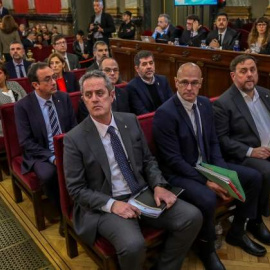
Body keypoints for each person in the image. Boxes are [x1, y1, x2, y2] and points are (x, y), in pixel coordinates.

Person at [63, 69, 203, 270]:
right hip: (106, 203)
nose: (94, 99)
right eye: (88, 95)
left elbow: (148, 160)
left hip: (141, 193)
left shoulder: (129, 120)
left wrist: (158, 185)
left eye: (100, 93)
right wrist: (113, 205)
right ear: (83, 100)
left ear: (112, 95)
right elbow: (76, 190)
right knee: (133, 245)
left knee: (192, 217)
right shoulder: (74, 139)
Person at [153, 62, 266, 269]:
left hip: (206, 166)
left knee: (253, 178)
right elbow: (173, 160)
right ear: (175, 82)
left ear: (201, 84)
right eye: (184, 83)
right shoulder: (165, 113)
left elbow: (214, 142)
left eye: (194, 83)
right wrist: (208, 181)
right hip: (179, 173)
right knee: (206, 198)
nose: (189, 88)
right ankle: (206, 247)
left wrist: (224, 174)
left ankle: (238, 231)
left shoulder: (204, 104)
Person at [213, 54, 270, 245]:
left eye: (253, 70)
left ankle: (259, 215)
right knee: (265, 171)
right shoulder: (224, 102)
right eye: (243, 71)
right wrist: (250, 151)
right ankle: (255, 220)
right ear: (233, 76)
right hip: (243, 155)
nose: (249, 75)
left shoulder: (265, 93)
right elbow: (222, 140)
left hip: (267, 149)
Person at [14, 62, 77, 236]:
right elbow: (26, 142)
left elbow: (73, 127)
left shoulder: (63, 98)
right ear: (35, 85)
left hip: (67, 148)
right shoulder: (23, 106)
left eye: (54, 77)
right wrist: (52, 157)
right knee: (50, 174)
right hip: (40, 154)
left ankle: (85, 209)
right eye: (47, 79)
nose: (54, 82)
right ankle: (65, 215)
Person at [78, 57, 129, 121]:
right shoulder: (87, 99)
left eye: (115, 70)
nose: (112, 73)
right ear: (100, 72)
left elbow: (127, 117)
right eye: (107, 70)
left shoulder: (123, 93)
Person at [125, 50, 173, 115]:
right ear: (137, 69)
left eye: (151, 63)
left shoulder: (162, 80)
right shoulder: (132, 87)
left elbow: (172, 103)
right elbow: (142, 112)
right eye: (144, 64)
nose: (149, 67)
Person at [0, 62, 27, 136]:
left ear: (5, 75)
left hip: (23, 118)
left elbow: (26, 100)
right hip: (5, 124)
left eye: (0, 73)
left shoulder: (15, 84)